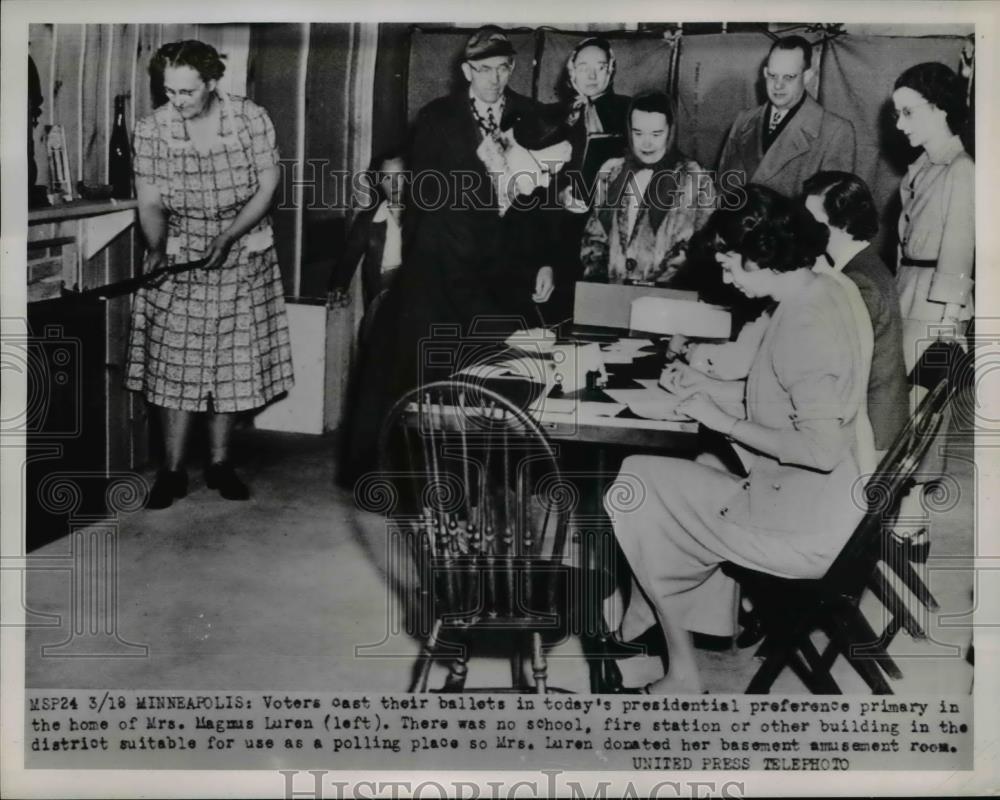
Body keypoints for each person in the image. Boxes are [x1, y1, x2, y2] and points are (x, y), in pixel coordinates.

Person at [607, 194, 875, 693]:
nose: (727, 279)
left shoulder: (803, 325)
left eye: (731, 265)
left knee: (637, 486)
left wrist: (719, 419)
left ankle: (677, 661)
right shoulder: (828, 290)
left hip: (806, 529)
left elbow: (820, 449)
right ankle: (666, 620)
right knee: (651, 475)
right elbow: (792, 398)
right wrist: (711, 391)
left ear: (763, 255)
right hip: (834, 504)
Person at [125, 40, 293, 508]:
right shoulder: (152, 128)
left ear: (213, 83)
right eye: (168, 91)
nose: (175, 101)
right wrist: (157, 248)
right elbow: (151, 199)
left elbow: (267, 187)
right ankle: (172, 471)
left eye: (186, 91)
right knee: (172, 362)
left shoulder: (249, 118)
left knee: (232, 361)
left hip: (243, 249)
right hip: (180, 248)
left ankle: (221, 464)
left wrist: (228, 237)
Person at [803, 171, 909, 452]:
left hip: (871, 435)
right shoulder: (864, 265)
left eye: (811, 220)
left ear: (841, 223)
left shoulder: (858, 280)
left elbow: (833, 363)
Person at [580, 91, 715, 285]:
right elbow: (595, 235)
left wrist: (658, 284)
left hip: (668, 297)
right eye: (638, 133)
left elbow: (701, 245)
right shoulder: (612, 173)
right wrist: (599, 278)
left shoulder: (695, 178)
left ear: (671, 131)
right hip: (613, 294)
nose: (647, 143)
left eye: (656, 134)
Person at [891, 62, 974, 372]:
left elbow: (959, 250)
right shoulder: (920, 169)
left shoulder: (960, 168)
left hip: (937, 310)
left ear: (940, 109)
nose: (899, 125)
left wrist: (950, 321)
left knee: (918, 407)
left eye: (908, 113)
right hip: (907, 296)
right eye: (896, 114)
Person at [717, 36, 856, 199]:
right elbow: (722, 190)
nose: (778, 85)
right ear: (764, 73)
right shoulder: (743, 121)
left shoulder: (835, 132)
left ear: (807, 76)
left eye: (789, 77)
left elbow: (832, 211)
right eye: (773, 75)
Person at [328, 151, 407, 339]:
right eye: (387, 177)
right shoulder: (368, 220)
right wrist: (339, 288)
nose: (394, 184)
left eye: (400, 176)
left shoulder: (424, 217)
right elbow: (347, 260)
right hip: (383, 302)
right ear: (379, 181)